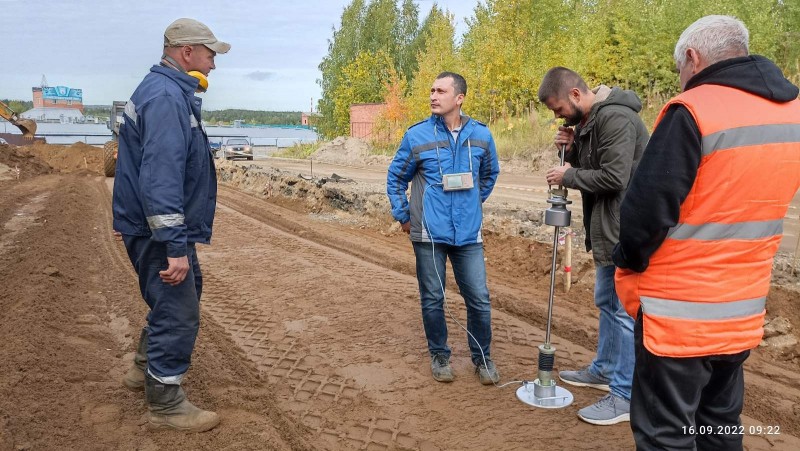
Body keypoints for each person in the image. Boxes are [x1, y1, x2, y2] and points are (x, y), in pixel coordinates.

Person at [612, 15, 800, 450]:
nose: (681, 80)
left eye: (680, 70)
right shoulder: (792, 113)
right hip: (740, 311)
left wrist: (627, 262)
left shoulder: (694, 110)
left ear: (693, 58)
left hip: (678, 317)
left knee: (667, 435)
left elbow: (644, 213)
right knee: (718, 424)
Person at [112, 17, 230, 432]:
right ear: (187, 53)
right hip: (158, 231)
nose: (214, 63)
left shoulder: (165, 92)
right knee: (180, 312)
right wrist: (174, 247)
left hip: (147, 226)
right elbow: (160, 176)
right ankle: (164, 403)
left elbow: (137, 165)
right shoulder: (165, 97)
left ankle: (141, 368)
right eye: (210, 53)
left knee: (182, 296)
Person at [538, 67, 649, 425]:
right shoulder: (592, 121)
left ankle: (625, 395)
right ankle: (604, 370)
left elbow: (615, 177)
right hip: (607, 229)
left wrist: (567, 174)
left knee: (621, 311)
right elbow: (594, 167)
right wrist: (572, 150)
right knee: (607, 303)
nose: (557, 116)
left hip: (624, 229)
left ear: (575, 95)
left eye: (557, 109)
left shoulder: (615, 118)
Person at [386, 72, 501, 385]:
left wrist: (473, 204)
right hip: (428, 235)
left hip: (468, 235)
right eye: (432, 90)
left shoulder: (481, 135)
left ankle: (483, 358)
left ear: (459, 98)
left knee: (478, 297)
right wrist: (404, 215)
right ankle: (439, 355)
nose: (433, 96)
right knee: (433, 298)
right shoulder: (417, 135)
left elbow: (490, 174)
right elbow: (396, 177)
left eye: (441, 91)